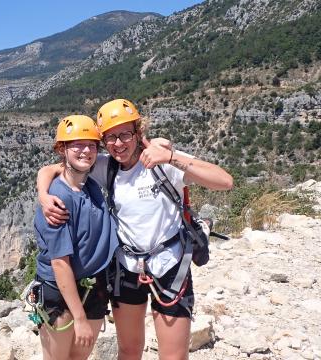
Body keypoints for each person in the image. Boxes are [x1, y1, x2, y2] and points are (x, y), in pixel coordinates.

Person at [36, 99, 233, 360]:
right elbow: (57, 167)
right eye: (111, 138)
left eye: (126, 134)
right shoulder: (105, 166)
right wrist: (43, 195)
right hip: (126, 268)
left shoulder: (164, 162)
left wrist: (172, 157)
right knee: (129, 351)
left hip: (170, 265)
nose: (119, 144)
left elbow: (225, 181)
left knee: (174, 356)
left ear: (138, 133)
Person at [33, 115, 117, 360]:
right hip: (59, 292)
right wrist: (79, 318)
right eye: (77, 144)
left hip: (95, 286)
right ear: (63, 149)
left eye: (91, 145)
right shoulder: (58, 201)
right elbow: (60, 263)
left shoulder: (89, 185)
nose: (86, 150)